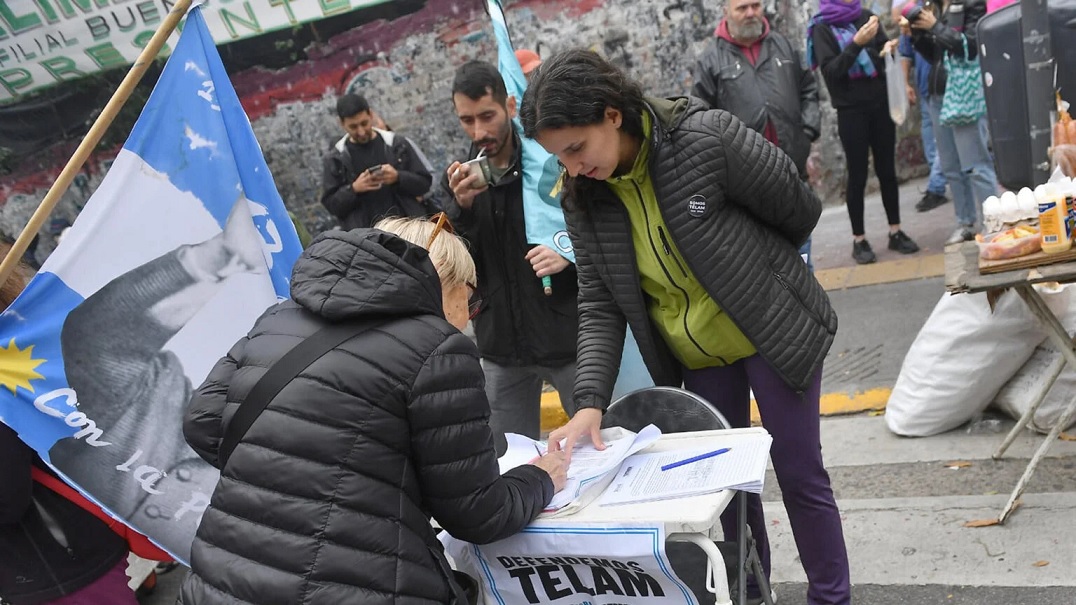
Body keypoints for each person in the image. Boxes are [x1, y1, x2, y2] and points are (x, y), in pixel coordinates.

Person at [520, 49, 850, 605]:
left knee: (799, 473)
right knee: (726, 494)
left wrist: (753, 274)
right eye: (560, 157)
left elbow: (798, 208)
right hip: (696, 357)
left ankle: (831, 598)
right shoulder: (584, 196)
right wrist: (589, 403)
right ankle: (751, 595)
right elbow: (600, 303)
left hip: (770, 331)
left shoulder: (704, 138)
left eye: (576, 148)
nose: (572, 167)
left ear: (612, 114)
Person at [179, 217, 567, 604]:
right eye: (469, 297)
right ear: (444, 281)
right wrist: (539, 478)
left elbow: (202, 421)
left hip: (221, 579)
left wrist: (292, 475)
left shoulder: (277, 320)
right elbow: (479, 513)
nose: (467, 315)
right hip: (359, 585)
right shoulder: (437, 348)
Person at [444, 60, 579, 447]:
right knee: (509, 462)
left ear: (509, 104)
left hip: (566, 336)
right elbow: (458, 267)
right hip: (501, 346)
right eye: (466, 120)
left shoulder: (549, 167)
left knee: (603, 444)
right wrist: (460, 210)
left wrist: (566, 255)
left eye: (487, 115)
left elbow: (591, 228)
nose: (479, 131)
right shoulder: (460, 179)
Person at [0, 243, 138, 605]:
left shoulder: (8, 366)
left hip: (61, 569)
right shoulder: (24, 346)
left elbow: (6, 500)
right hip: (72, 555)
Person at [691, 0, 820, 270]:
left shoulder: (782, 45)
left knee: (802, 254)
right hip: (747, 180)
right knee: (765, 265)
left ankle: (809, 306)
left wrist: (807, 131)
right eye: (742, 8)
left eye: (756, 5)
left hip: (791, 169)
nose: (751, 13)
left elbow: (809, 88)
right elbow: (698, 118)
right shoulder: (711, 60)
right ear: (726, 11)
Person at [809, 0, 921, 264]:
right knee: (857, 174)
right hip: (851, 111)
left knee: (887, 171)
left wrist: (887, 48)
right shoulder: (822, 28)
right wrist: (857, 43)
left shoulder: (866, 16)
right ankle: (859, 239)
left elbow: (881, 53)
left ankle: (896, 230)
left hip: (880, 105)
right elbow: (832, 72)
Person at [907, 0, 998, 243]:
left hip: (963, 93)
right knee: (951, 165)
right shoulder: (934, 5)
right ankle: (965, 222)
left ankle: (995, 222)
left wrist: (935, 26)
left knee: (976, 164)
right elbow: (936, 55)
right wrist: (916, 35)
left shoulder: (972, 4)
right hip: (938, 94)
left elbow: (969, 46)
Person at [320, 93, 433, 230]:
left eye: (364, 123)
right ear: (342, 123)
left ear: (371, 115)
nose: (361, 132)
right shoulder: (335, 159)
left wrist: (398, 177)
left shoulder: (397, 144)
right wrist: (354, 189)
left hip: (408, 230)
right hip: (366, 240)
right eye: (353, 127)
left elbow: (425, 183)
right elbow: (331, 205)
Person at [894, 1, 950, 213]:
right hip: (927, 85)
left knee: (944, 140)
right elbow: (906, 52)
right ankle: (938, 183)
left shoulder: (943, 8)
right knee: (931, 139)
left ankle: (936, 186)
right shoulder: (915, 10)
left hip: (948, 85)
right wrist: (905, 83)